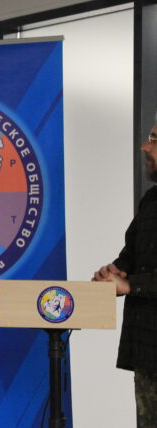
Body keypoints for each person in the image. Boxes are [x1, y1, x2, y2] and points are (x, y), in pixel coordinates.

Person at [93, 122, 157, 428]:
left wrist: (130, 285)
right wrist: (115, 271)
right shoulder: (151, 200)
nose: (145, 147)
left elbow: (133, 282)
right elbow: (131, 253)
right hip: (147, 353)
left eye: (154, 139)